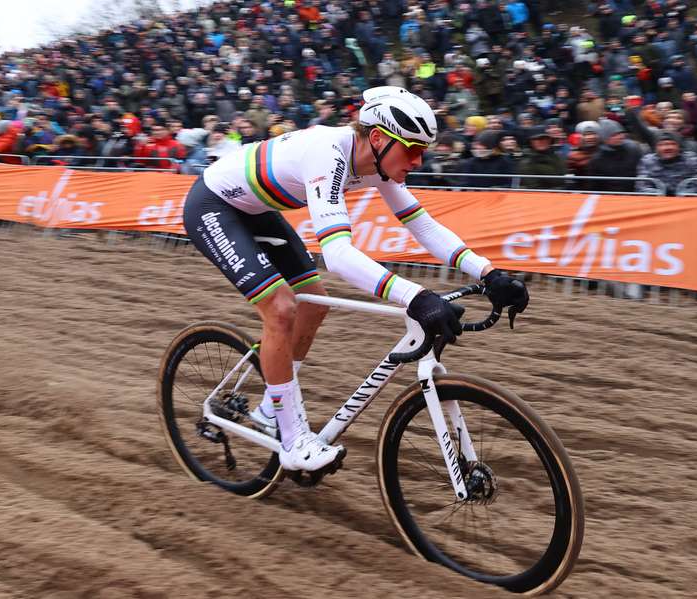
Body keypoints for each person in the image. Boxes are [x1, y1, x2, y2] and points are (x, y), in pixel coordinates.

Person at [181, 86, 529, 474]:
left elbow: (424, 227)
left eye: (423, 152)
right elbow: (338, 255)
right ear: (378, 138)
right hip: (213, 205)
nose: (417, 160)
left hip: (257, 209)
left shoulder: (378, 164)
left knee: (313, 304)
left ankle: (270, 410)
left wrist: (489, 273)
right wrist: (414, 297)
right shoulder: (328, 153)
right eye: (412, 150)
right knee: (281, 308)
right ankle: (294, 439)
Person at [635, 131, 697, 195]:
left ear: (679, 147)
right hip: (656, 200)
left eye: (672, 144)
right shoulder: (647, 160)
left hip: (685, 200)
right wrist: (662, 194)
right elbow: (641, 187)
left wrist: (680, 195)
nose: (667, 148)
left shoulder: (692, 159)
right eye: (661, 145)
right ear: (655, 148)